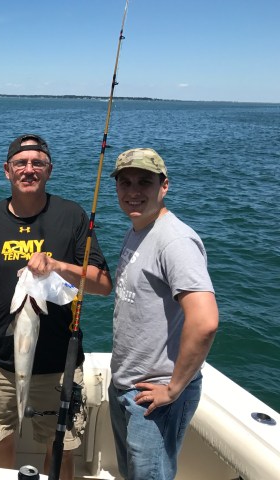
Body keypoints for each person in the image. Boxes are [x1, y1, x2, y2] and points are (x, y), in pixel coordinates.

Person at [0, 134, 113, 480]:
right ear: (7, 170)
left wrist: (59, 266)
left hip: (57, 363)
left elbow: (103, 285)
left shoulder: (72, 215)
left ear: (50, 170)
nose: (29, 169)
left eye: (38, 163)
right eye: (21, 163)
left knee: (61, 452)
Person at [109, 148, 219, 480]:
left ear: (164, 185)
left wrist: (172, 389)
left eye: (145, 182)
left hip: (155, 397)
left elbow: (205, 321)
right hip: (128, 386)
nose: (133, 192)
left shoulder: (174, 241)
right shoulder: (138, 229)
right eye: (125, 182)